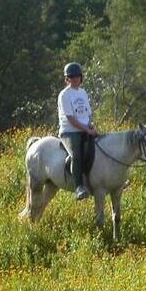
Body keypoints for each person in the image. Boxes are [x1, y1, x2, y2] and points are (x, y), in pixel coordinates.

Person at [57, 62, 97, 201]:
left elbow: (88, 113)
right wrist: (86, 129)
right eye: (72, 77)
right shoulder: (64, 95)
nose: (75, 79)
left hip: (85, 129)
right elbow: (71, 119)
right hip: (70, 132)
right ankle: (79, 187)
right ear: (67, 79)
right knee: (76, 155)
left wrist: (91, 125)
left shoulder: (83, 92)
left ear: (81, 77)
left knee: (100, 148)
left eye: (77, 76)